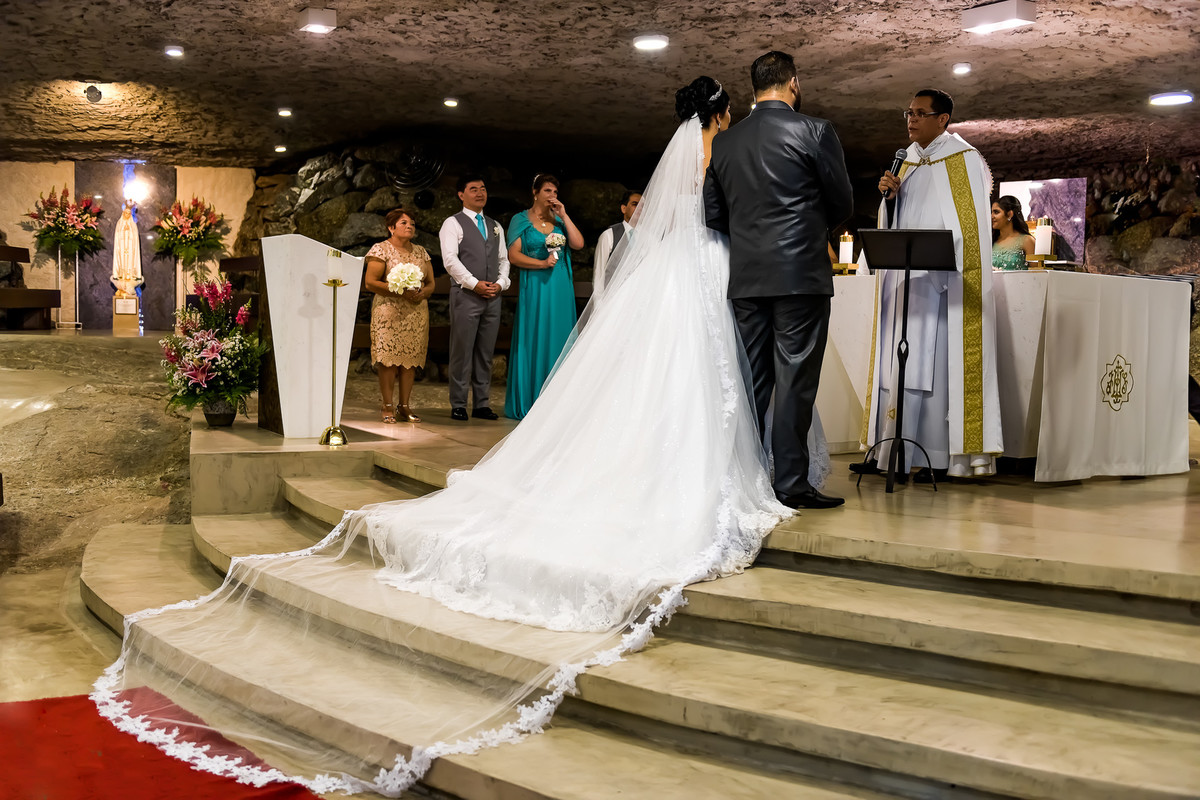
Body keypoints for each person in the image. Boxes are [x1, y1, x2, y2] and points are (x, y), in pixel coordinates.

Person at [96, 77, 811, 795]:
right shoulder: (722, 154)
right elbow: (722, 212)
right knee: (702, 369)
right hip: (713, 265)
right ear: (721, 111)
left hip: (678, 271)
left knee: (667, 372)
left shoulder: (686, 155)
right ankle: (682, 467)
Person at [703, 51, 854, 509]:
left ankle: (744, 480)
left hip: (747, 277)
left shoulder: (725, 143)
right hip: (800, 276)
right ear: (793, 83)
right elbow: (843, 203)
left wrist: (753, 236)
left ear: (754, 87)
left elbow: (713, 213)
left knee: (751, 381)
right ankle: (789, 483)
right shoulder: (815, 131)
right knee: (795, 383)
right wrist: (807, 227)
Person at [861, 88, 1003, 479]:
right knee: (900, 365)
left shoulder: (963, 159)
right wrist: (890, 199)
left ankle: (937, 457)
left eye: (920, 113)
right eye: (908, 112)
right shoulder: (905, 161)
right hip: (903, 280)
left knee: (937, 367)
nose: (911, 119)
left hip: (942, 285)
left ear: (943, 119)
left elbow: (970, 229)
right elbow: (895, 220)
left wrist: (944, 266)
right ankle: (893, 452)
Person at [504, 173, 584, 420]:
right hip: (536, 286)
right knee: (535, 335)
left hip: (559, 286)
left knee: (559, 336)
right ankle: (533, 398)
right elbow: (513, 256)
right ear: (535, 192)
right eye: (548, 191)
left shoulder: (559, 221)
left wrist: (564, 215)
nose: (552, 196)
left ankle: (559, 402)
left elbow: (578, 244)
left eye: (555, 192)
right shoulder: (520, 220)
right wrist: (541, 263)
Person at [438, 174, 511, 421]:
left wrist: (500, 283)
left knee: (485, 352)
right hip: (466, 295)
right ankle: (459, 403)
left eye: (483, 188)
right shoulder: (453, 223)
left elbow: (503, 259)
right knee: (462, 351)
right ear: (461, 195)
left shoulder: (495, 225)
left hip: (493, 296)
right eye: (473, 189)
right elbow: (450, 260)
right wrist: (474, 283)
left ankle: (482, 404)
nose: (480, 193)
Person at [363, 207, 435, 423]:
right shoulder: (381, 249)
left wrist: (423, 292)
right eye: (404, 223)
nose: (409, 226)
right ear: (391, 227)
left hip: (416, 312)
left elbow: (431, 282)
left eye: (412, 223)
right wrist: (399, 290)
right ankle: (387, 406)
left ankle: (404, 406)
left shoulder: (421, 252)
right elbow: (370, 282)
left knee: (409, 360)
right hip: (389, 312)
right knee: (388, 360)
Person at [592, 189, 641, 296]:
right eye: (635, 204)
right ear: (624, 208)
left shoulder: (649, 239)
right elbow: (599, 273)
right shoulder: (609, 235)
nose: (640, 208)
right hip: (613, 297)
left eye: (642, 206)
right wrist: (598, 302)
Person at [991, 195, 1034, 270]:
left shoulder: (1027, 241)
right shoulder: (991, 242)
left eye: (996, 212)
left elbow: (1037, 273)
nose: (992, 216)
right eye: (991, 212)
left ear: (1009, 214)